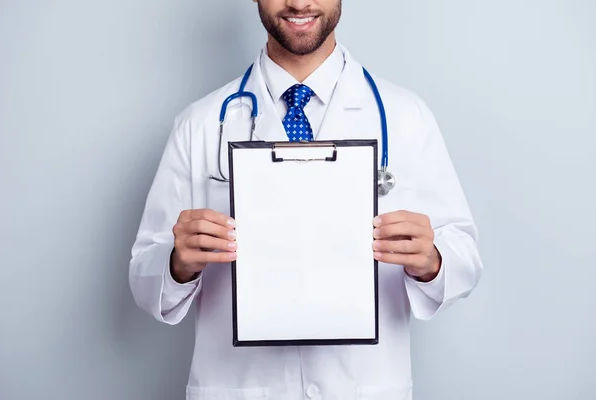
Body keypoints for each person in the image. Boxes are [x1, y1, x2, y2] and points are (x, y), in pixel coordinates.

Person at [129, 0, 483, 399]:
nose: (299, 2)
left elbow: (465, 257)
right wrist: (178, 264)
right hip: (240, 386)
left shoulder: (406, 118)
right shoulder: (201, 125)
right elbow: (144, 275)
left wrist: (432, 262)